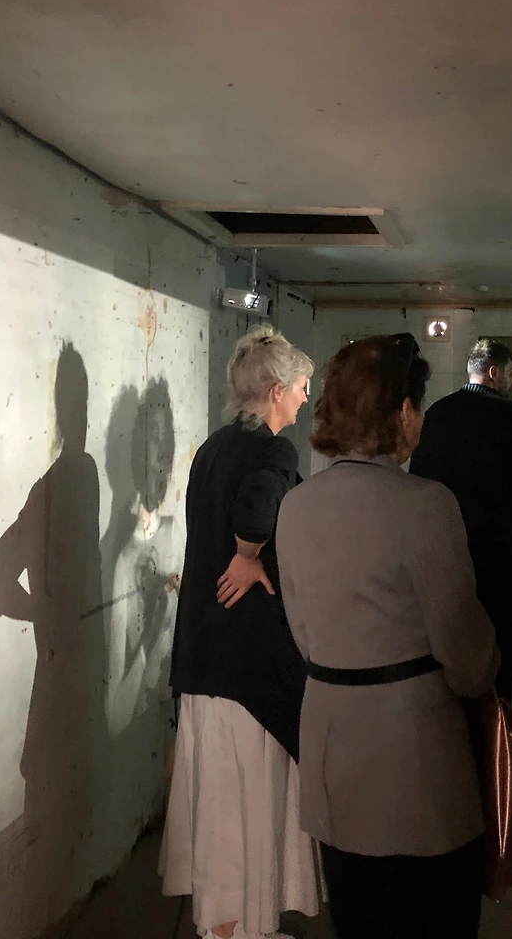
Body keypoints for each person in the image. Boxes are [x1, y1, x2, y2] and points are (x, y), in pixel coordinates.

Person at [276, 334, 500, 939]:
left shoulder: (296, 505)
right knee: (432, 917)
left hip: (330, 737)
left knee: (358, 915)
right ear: (402, 412)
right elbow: (466, 655)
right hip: (412, 754)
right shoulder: (425, 504)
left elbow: (303, 634)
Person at [160, 325, 322, 939]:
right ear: (277, 391)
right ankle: (236, 930)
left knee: (218, 799)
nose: (305, 398)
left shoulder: (214, 447)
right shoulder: (274, 452)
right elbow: (256, 510)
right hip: (247, 659)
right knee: (247, 796)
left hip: (202, 652)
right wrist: (249, 555)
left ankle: (229, 926)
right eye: (302, 387)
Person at [409, 339, 512, 701]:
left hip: (445, 547)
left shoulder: (438, 414)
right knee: (497, 638)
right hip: (502, 552)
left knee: (449, 633)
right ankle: (494, 713)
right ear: (494, 372)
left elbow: (419, 479)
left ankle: (449, 709)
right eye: (510, 373)